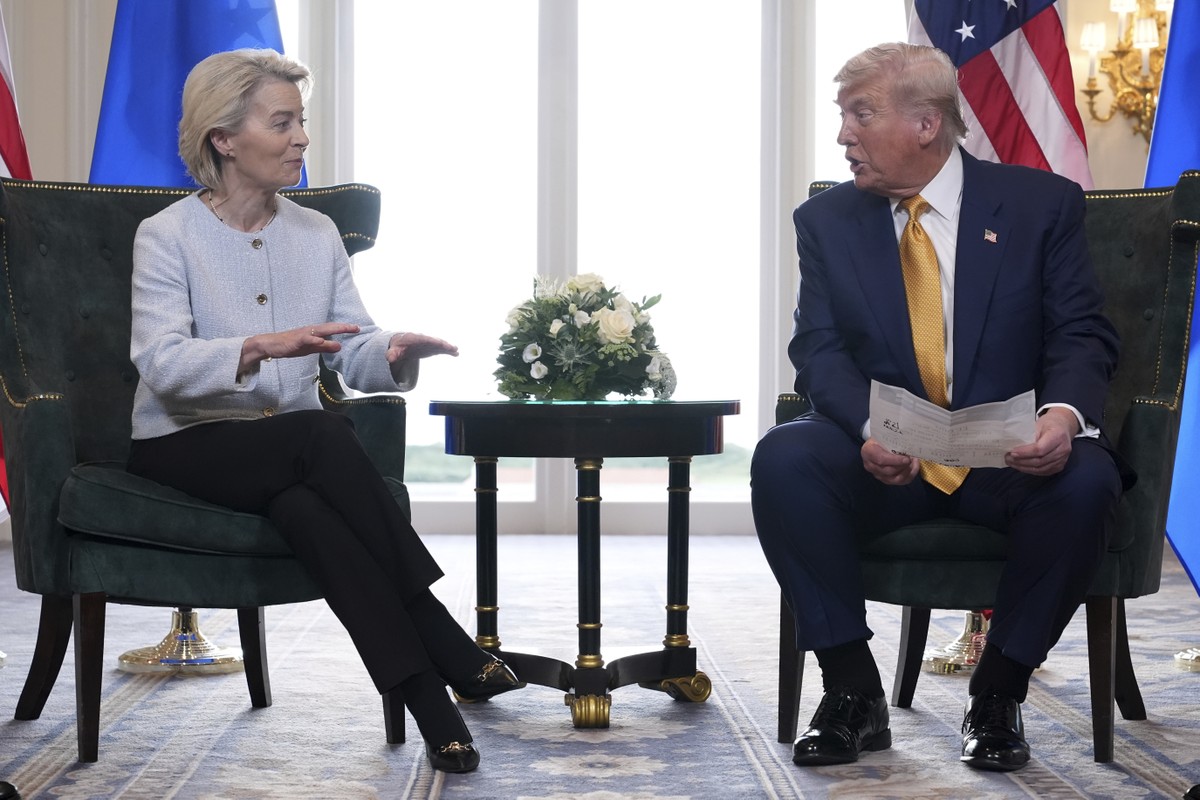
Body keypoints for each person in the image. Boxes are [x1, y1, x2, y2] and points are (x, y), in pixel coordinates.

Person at [126, 48, 521, 774]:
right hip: (184, 443)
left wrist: (392, 353)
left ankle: (433, 708)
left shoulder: (316, 234)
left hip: (291, 455)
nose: (301, 138)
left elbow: (350, 347)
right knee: (318, 431)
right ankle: (446, 639)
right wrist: (261, 346)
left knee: (307, 509)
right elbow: (161, 364)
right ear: (224, 138)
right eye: (282, 123)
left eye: (301, 121)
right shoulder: (168, 234)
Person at [751, 42, 1132, 773]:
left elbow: (1081, 333)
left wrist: (1061, 417)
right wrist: (868, 429)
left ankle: (998, 693)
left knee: (1086, 479)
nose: (843, 135)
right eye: (842, 116)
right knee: (784, 458)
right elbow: (819, 350)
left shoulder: (1039, 205)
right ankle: (852, 691)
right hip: (887, 456)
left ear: (926, 124)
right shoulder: (827, 220)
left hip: (1007, 456)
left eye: (861, 115)